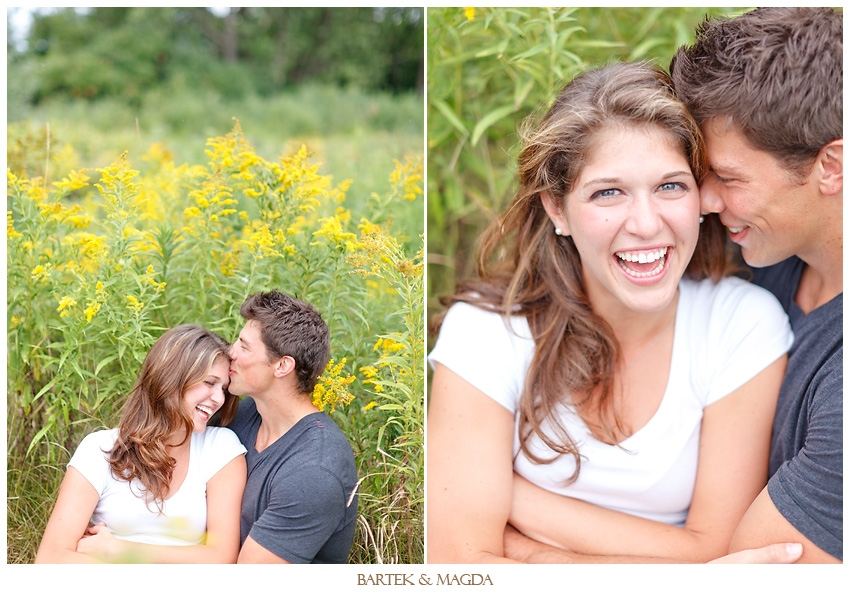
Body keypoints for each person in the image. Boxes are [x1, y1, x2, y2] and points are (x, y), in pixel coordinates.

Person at [427, 62, 792, 564]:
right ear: (558, 209)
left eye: (670, 186)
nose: (646, 224)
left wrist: (525, 532)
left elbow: (717, 547)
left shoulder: (741, 325)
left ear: (700, 197)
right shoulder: (486, 332)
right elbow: (460, 567)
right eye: (608, 192)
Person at [669, 6, 843, 563]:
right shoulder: (756, 251)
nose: (704, 201)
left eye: (728, 177)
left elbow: (751, 571)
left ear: (831, 166)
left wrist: (520, 555)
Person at [35, 324, 247, 563]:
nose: (219, 398)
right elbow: (50, 559)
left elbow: (221, 559)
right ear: (171, 377)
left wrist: (118, 551)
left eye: (224, 389)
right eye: (209, 383)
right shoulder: (99, 449)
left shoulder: (220, 448)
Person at [226, 290, 358, 564]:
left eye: (244, 346)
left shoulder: (315, 472)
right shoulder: (240, 415)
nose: (231, 352)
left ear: (283, 365)